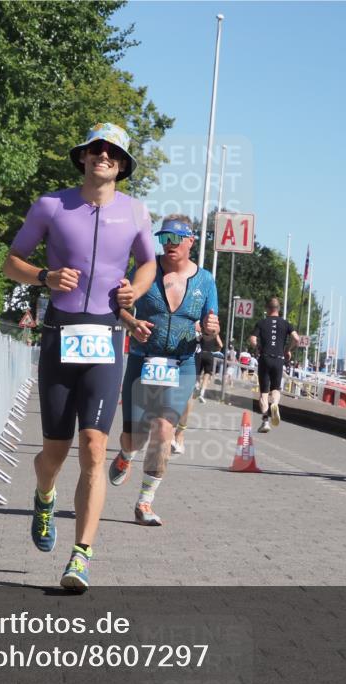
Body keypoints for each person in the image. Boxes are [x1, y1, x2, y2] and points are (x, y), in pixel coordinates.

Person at [2, 122, 157, 591]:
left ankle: (81, 555)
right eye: (95, 149)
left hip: (105, 339)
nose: (103, 156)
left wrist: (136, 290)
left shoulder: (135, 212)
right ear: (84, 157)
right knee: (53, 452)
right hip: (59, 335)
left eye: (112, 152)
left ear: (122, 164)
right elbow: (11, 261)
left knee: (93, 445)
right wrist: (43, 277)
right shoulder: (52, 205)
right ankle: (44, 495)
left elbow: (148, 263)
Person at [107, 216, 219, 526]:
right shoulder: (146, 270)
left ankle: (145, 501)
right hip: (142, 360)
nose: (169, 244)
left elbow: (211, 334)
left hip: (182, 364)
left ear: (190, 241)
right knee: (135, 436)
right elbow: (119, 305)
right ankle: (126, 455)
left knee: (163, 428)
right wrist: (132, 323)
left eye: (176, 238)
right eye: (164, 238)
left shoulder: (205, 280)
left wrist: (211, 330)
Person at [249, 297, 299, 433]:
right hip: (279, 359)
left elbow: (252, 339)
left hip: (265, 358)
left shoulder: (261, 322)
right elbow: (296, 338)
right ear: (279, 309)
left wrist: (258, 347)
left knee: (264, 393)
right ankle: (275, 404)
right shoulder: (286, 323)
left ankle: (265, 421)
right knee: (276, 389)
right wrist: (288, 350)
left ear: (267, 308)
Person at [171, 323, 222, 455]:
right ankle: (167, 430)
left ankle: (179, 433)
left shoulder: (203, 317)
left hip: (192, 358)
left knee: (188, 397)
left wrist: (209, 330)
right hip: (169, 354)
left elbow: (215, 332)